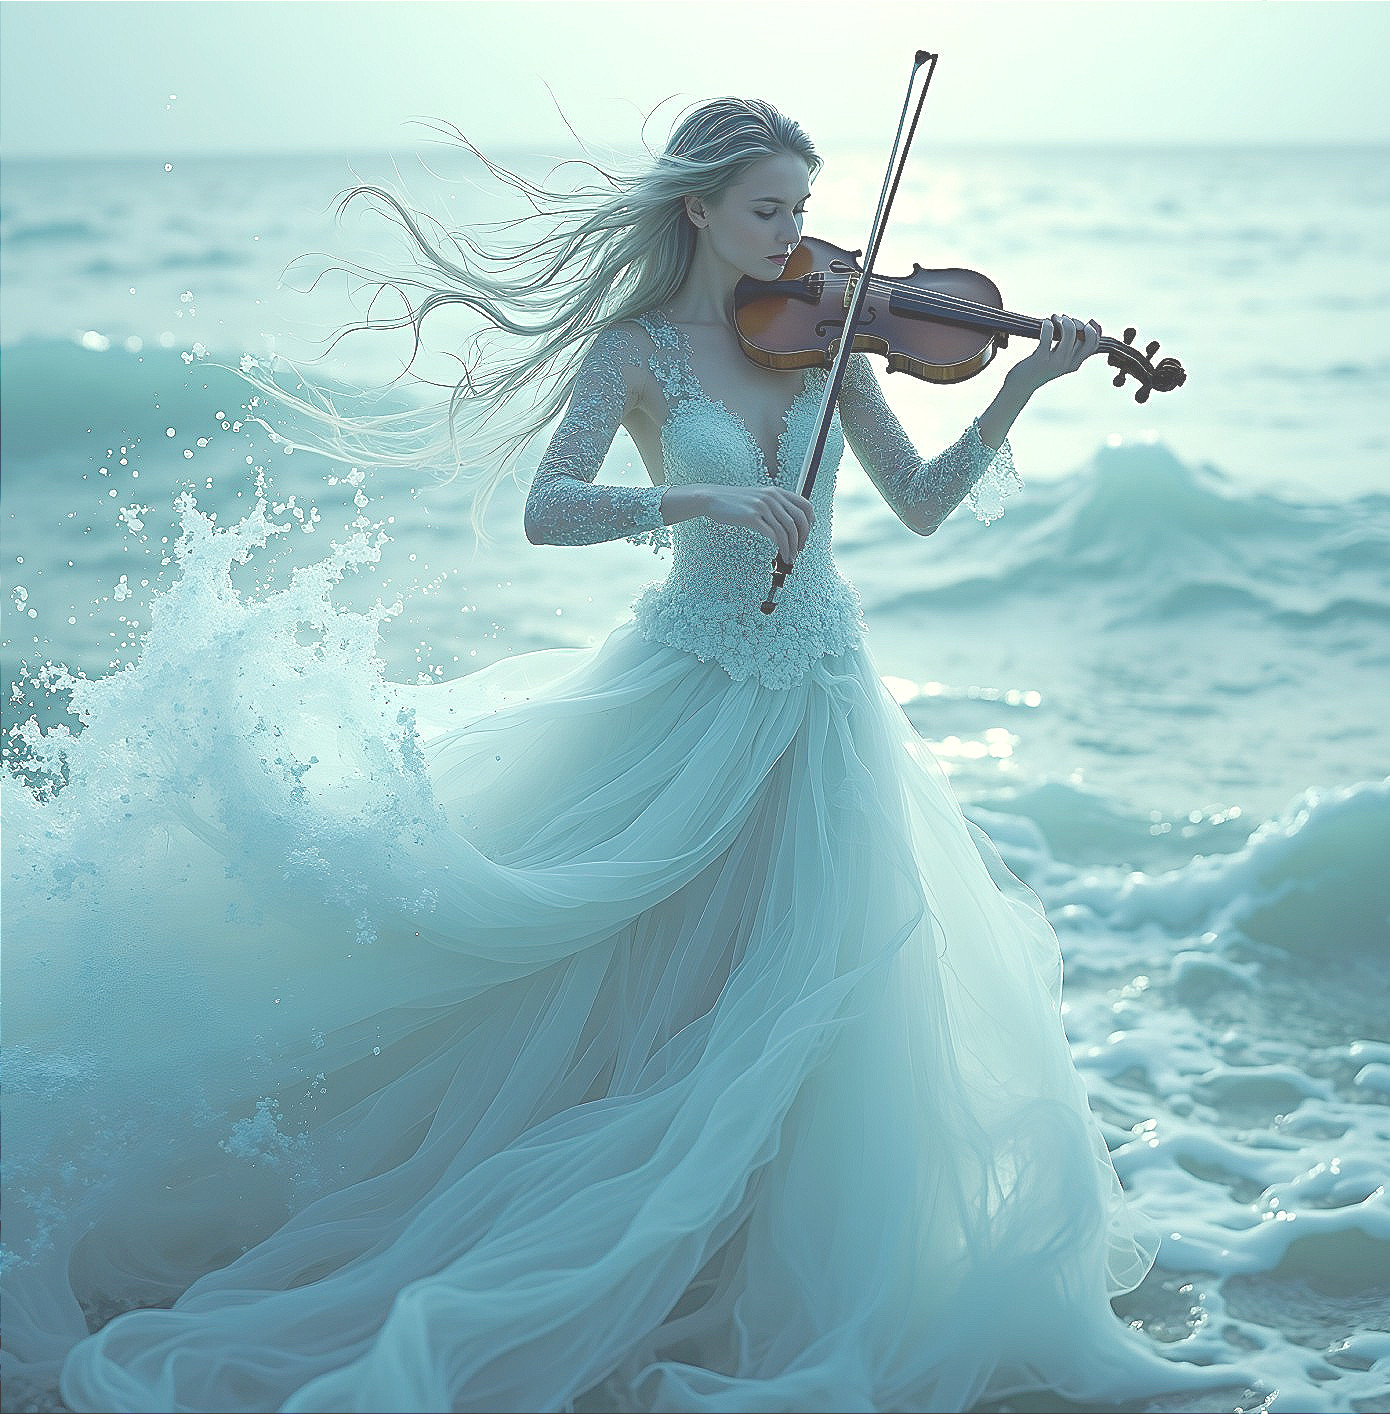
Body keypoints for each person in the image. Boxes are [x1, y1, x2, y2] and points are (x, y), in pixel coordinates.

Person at [4, 98, 1242, 1413]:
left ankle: (739, 1260)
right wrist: (699, 494)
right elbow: (549, 509)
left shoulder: (835, 349)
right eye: (768, 210)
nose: (796, 239)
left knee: (803, 997)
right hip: (687, 689)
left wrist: (1020, 389)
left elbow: (923, 509)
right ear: (699, 211)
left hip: (822, 701)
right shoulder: (638, 350)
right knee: (634, 983)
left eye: (803, 213)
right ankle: (594, 1250)